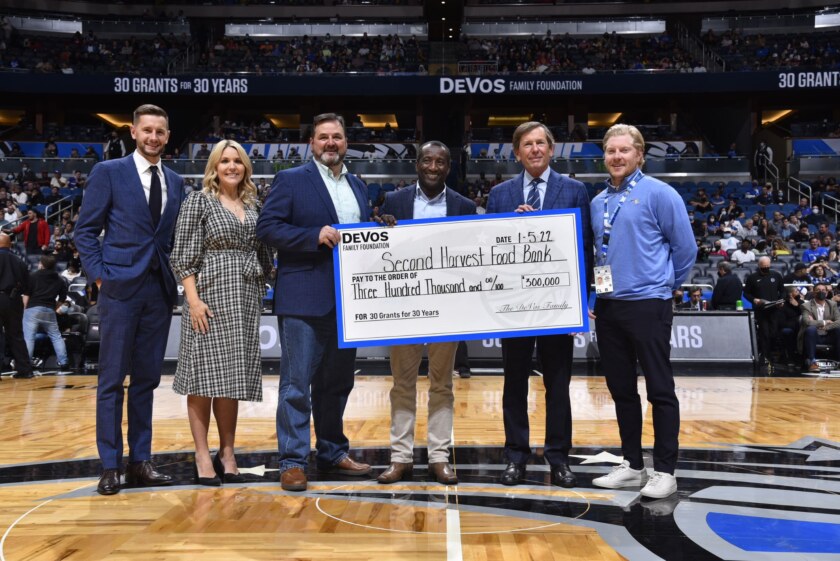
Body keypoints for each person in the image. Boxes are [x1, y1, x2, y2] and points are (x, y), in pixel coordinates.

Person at [256, 113, 371, 492]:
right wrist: (312, 235)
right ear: (312, 143)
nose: (330, 143)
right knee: (295, 384)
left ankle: (332, 451)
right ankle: (291, 460)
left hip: (348, 303)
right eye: (323, 137)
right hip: (304, 298)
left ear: (346, 142)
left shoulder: (358, 185)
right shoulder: (291, 180)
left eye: (337, 137)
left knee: (336, 385)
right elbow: (268, 228)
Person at [75, 104, 184, 496]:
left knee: (147, 381)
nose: (154, 137)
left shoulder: (175, 180)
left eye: (160, 131)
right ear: (134, 133)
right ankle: (109, 465)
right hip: (120, 289)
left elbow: (169, 238)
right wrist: (101, 277)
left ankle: (140, 460)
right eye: (147, 130)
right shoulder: (108, 172)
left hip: (158, 291)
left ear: (167, 137)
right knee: (110, 381)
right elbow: (85, 232)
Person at [485, 121, 592, 488]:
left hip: (558, 304)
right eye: (527, 144)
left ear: (552, 149)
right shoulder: (500, 194)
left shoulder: (575, 190)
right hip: (515, 305)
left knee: (558, 385)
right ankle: (516, 456)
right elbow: (489, 250)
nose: (534, 149)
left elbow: (585, 249)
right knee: (514, 383)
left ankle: (558, 457)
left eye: (541, 143)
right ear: (517, 153)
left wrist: (584, 300)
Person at [590, 124, 695, 499]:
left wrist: (662, 286)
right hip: (609, 308)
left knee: (660, 390)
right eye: (610, 151)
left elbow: (685, 250)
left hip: (649, 305)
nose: (616, 157)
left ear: (639, 155)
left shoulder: (660, 194)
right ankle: (633, 465)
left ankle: (665, 470)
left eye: (624, 150)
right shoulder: (598, 201)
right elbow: (601, 256)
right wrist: (598, 300)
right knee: (621, 390)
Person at [170, 140, 273, 486]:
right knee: (202, 379)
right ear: (214, 166)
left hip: (244, 298)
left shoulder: (254, 203)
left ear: (246, 166)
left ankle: (227, 453)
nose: (232, 166)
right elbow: (182, 255)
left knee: (231, 380)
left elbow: (264, 253)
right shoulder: (199, 201)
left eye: (238, 161)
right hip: (208, 297)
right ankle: (202, 454)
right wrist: (193, 301)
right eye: (225, 161)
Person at [374, 141, 476, 486]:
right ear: (417, 164)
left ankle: (439, 457)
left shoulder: (463, 205)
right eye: (427, 161)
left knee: (442, 385)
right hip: (404, 309)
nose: (433, 167)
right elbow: (379, 254)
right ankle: (400, 458)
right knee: (402, 385)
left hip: (447, 309)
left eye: (441, 162)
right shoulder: (395, 202)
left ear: (449, 167)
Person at [22, 254, 70, 370]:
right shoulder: (59, 279)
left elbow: (26, 295)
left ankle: (26, 364)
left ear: (41, 264)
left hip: (32, 309)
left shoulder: (33, 276)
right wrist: (54, 308)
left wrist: (25, 310)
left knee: (29, 337)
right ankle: (63, 362)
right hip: (49, 309)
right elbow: (62, 299)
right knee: (56, 337)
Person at [0, 233, 33, 379]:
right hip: (13, 299)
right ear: (10, 244)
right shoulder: (20, 261)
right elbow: (27, 286)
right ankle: (24, 370)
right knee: (16, 335)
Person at [743, 256, 785, 364]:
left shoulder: (776, 275)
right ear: (759, 266)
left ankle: (774, 355)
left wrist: (781, 300)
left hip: (775, 309)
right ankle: (765, 356)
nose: (765, 268)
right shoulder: (752, 277)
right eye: (763, 267)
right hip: (761, 310)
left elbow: (783, 291)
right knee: (764, 333)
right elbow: (746, 293)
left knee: (774, 333)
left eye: (767, 266)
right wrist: (754, 300)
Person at [799, 282, 840, 372]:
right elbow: (807, 322)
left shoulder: (832, 304)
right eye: (818, 290)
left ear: (827, 292)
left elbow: (839, 321)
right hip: (814, 336)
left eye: (823, 290)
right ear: (814, 293)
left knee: (838, 329)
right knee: (811, 329)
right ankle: (812, 361)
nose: (821, 292)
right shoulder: (806, 306)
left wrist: (826, 327)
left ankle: (838, 360)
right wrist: (825, 322)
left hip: (828, 335)